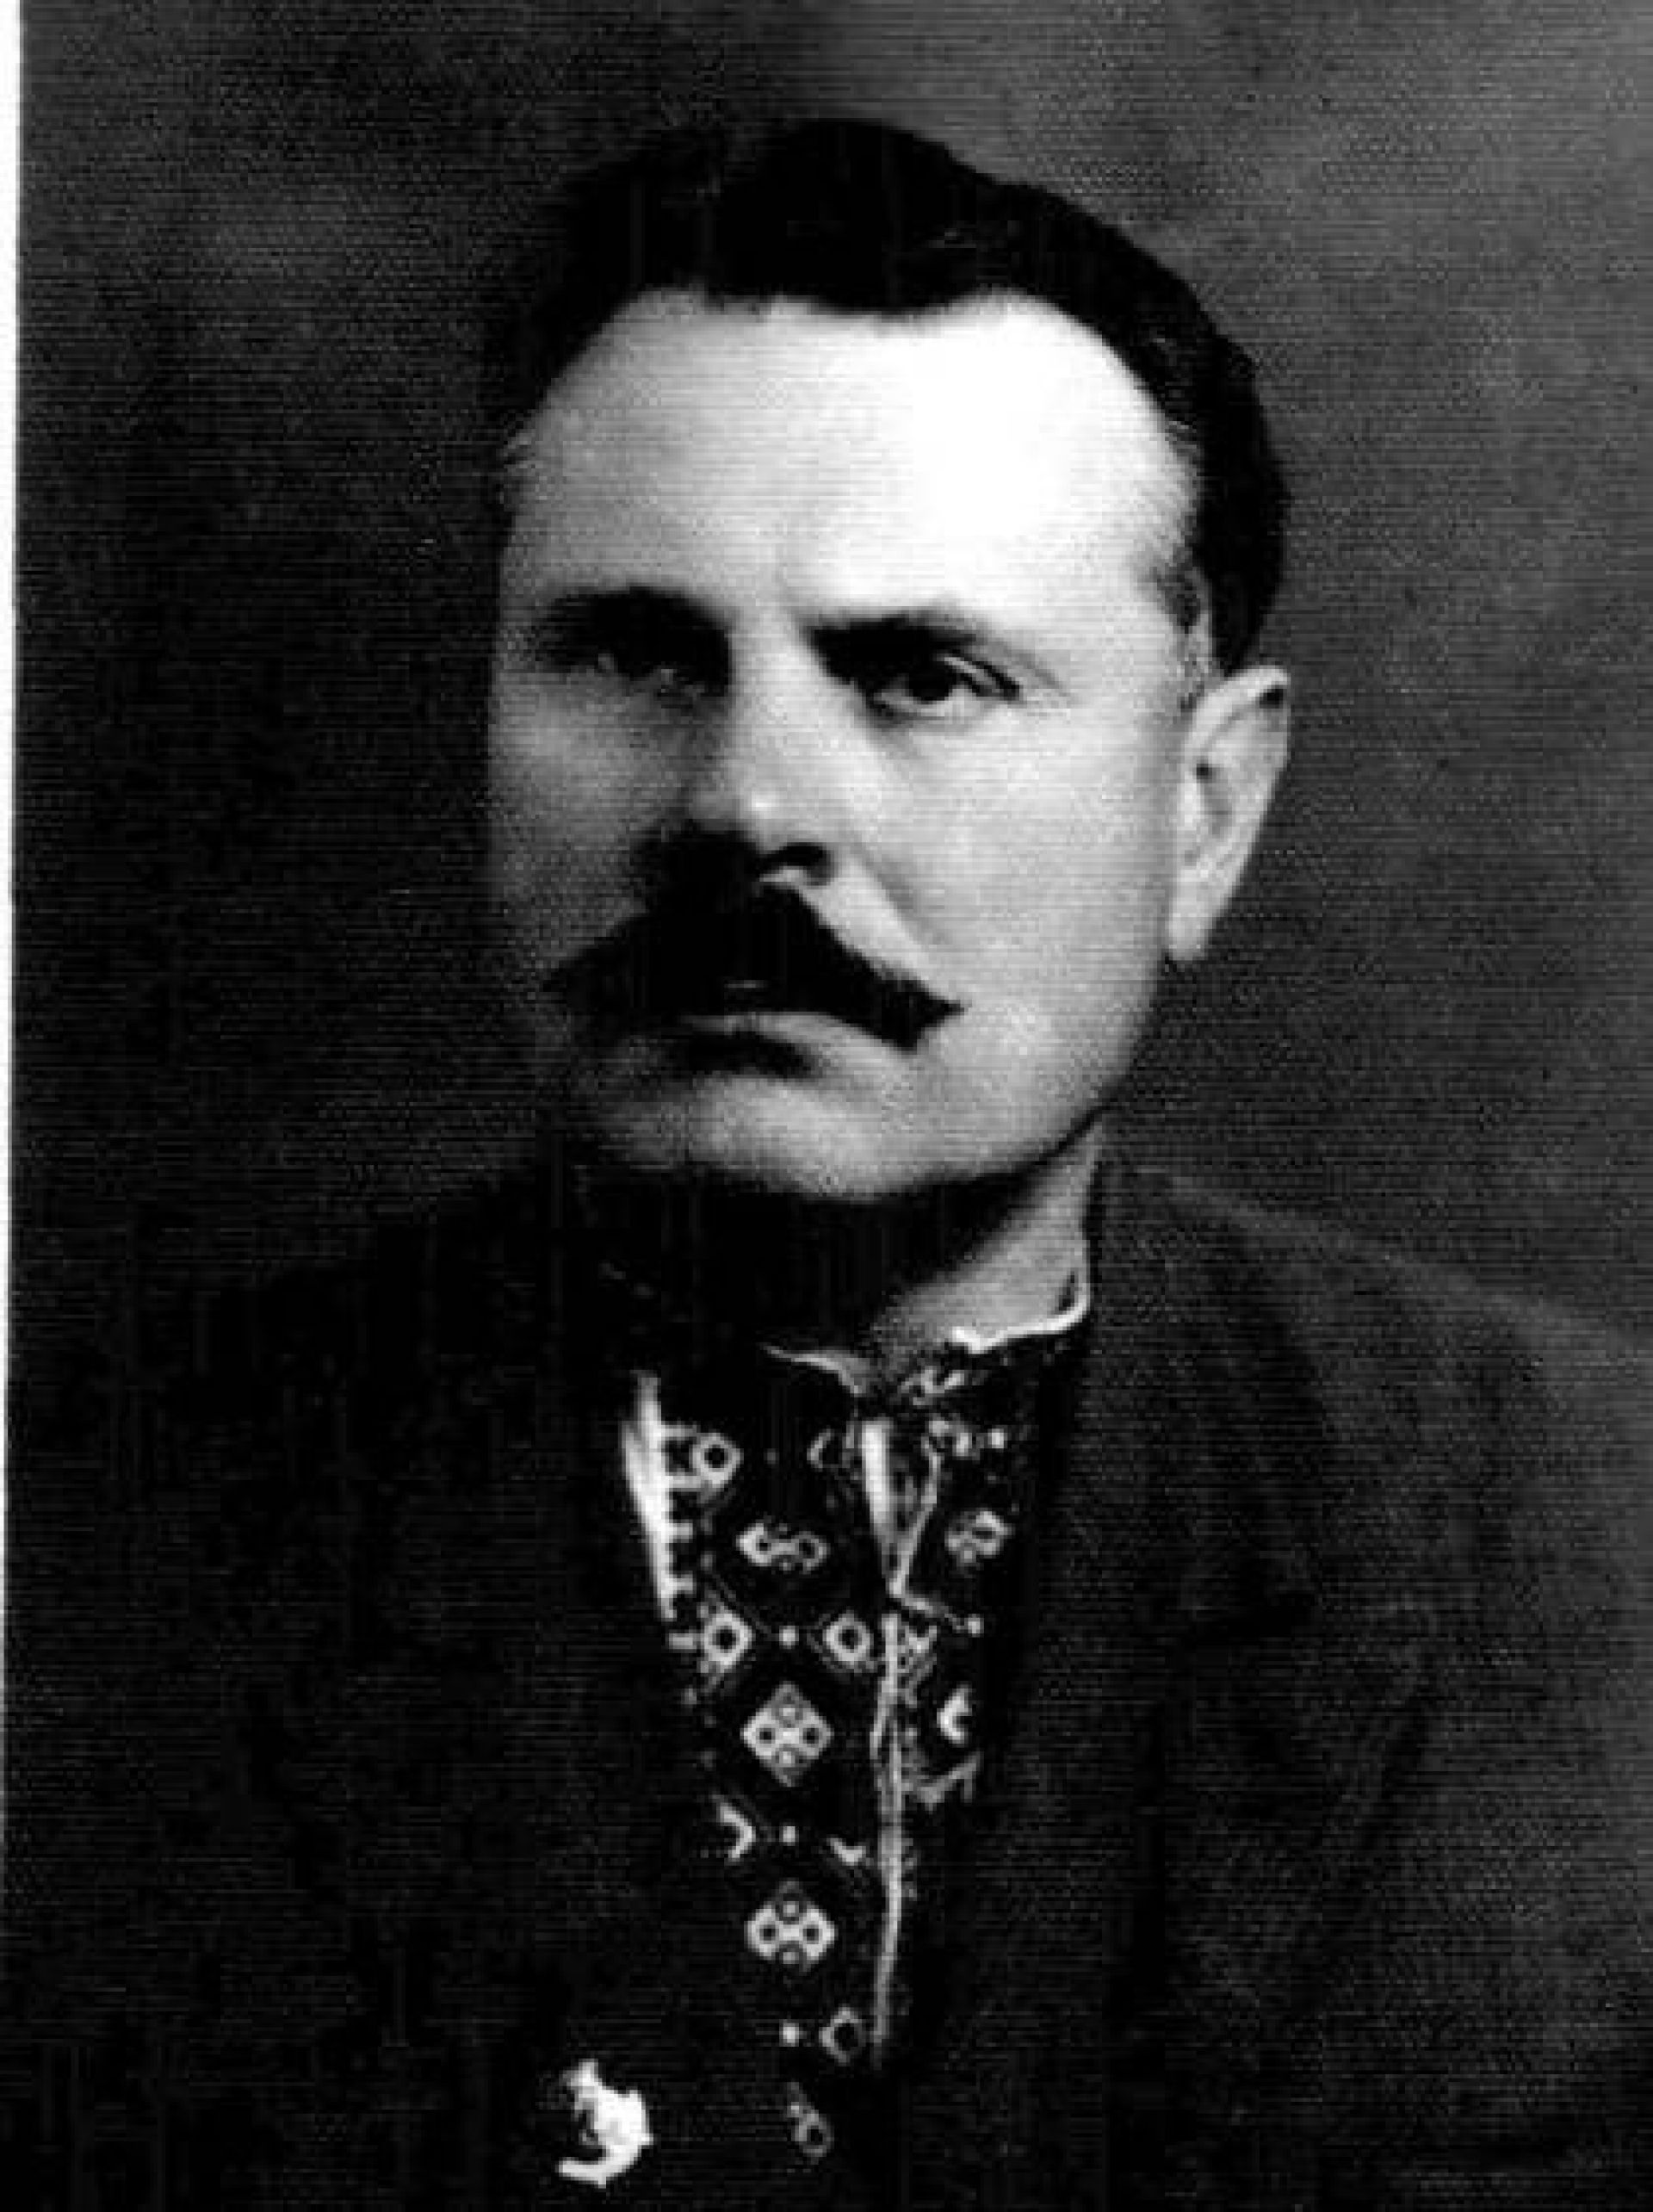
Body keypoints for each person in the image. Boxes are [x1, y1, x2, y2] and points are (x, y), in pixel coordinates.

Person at [7, 118, 1652, 2210]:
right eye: (635, 654)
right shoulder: (75, 1548)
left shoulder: (1597, 1545)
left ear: (1207, 810)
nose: (744, 805)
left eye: (924, 676)